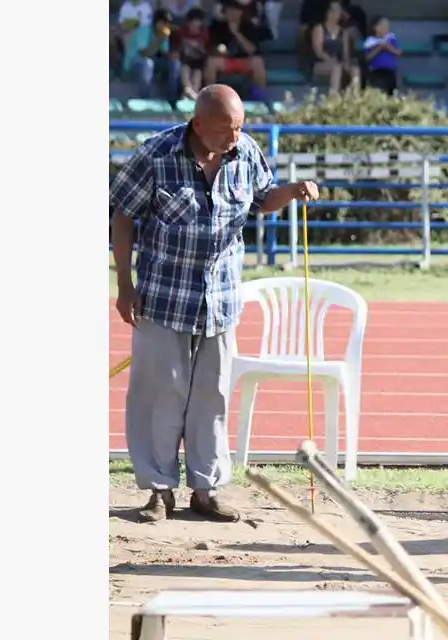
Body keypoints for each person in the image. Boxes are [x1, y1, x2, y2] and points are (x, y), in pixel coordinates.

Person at [108, 85, 320, 524]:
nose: (233, 137)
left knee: (212, 396)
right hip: (162, 296)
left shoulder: (246, 153)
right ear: (198, 124)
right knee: (158, 395)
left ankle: (206, 489)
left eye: (239, 128)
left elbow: (264, 200)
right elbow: (123, 216)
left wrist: (293, 190)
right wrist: (124, 285)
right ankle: (157, 491)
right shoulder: (155, 154)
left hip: (220, 299)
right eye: (225, 129)